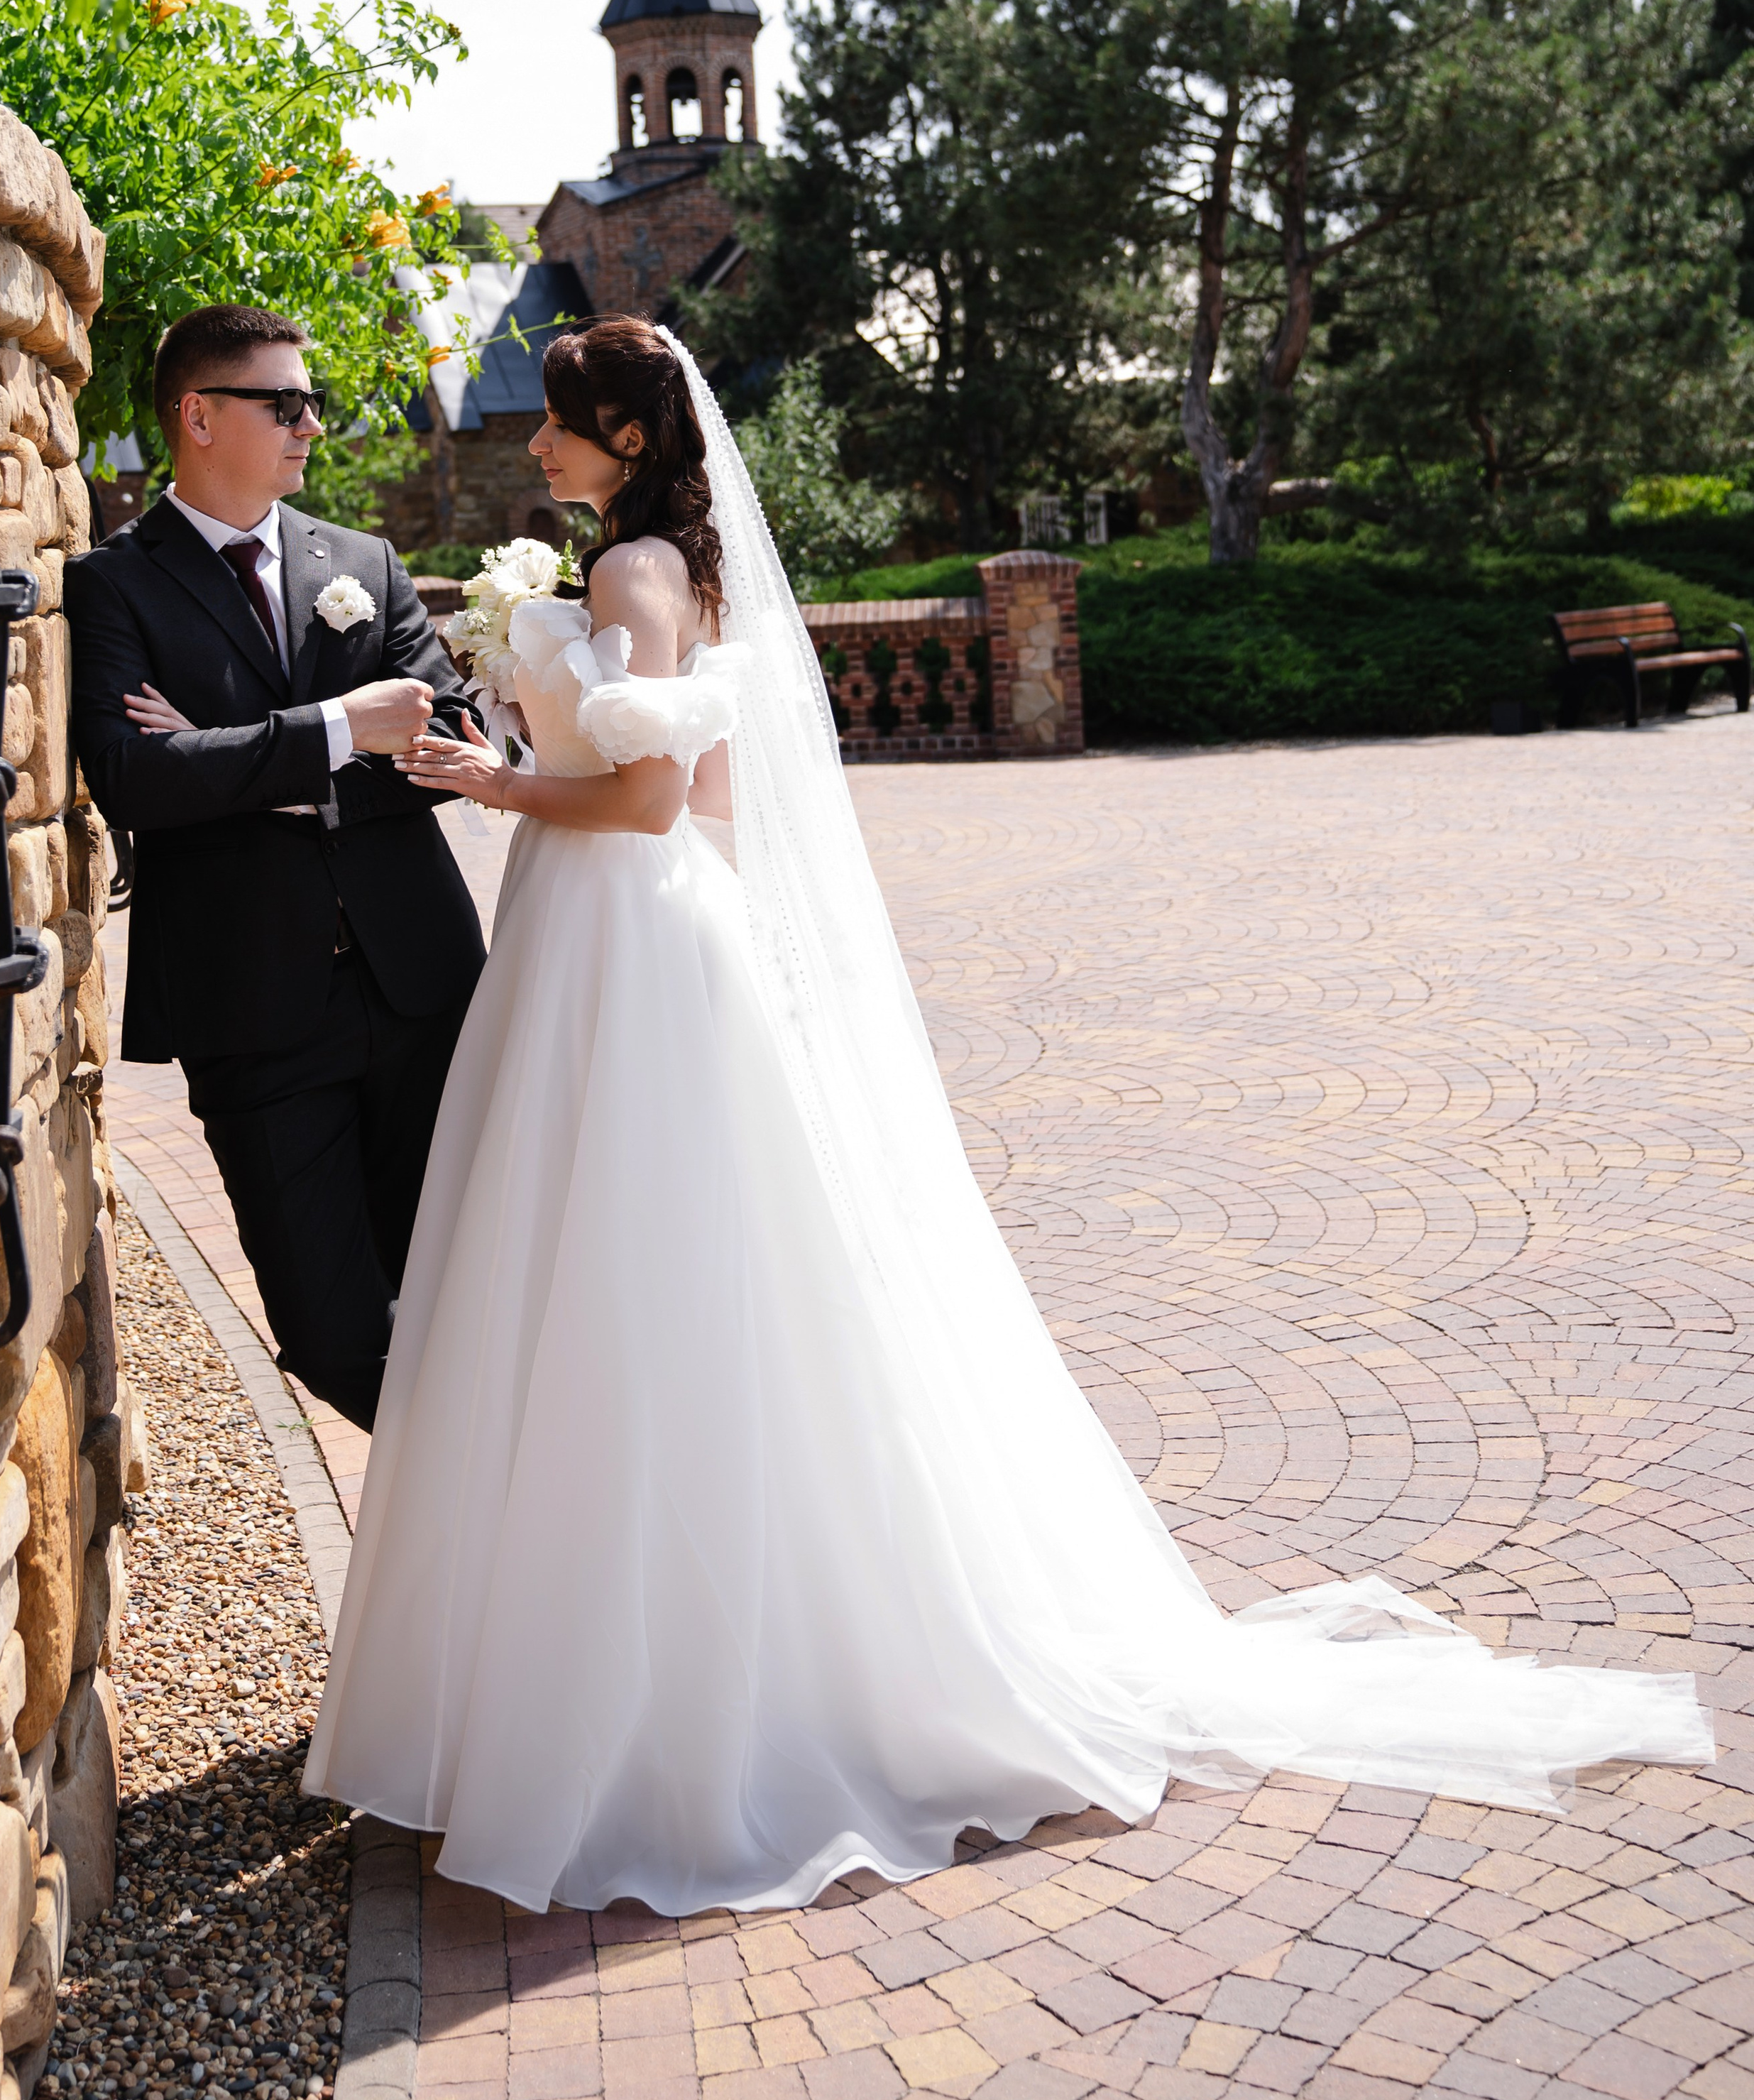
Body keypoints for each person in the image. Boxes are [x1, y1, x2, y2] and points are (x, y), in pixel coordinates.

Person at [303, 315, 1711, 1917]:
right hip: (627, 932)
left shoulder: (632, 576)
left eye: (557, 423)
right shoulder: (663, 572)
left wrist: (495, 788)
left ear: (623, 438)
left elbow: (642, 800)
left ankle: (639, 1717)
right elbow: (699, 800)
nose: (534, 444)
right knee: (653, 1271)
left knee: (613, 1274)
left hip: (613, 930)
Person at [64, 303, 485, 1429]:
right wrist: (343, 726)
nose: (311, 424)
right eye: (284, 402)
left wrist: (235, 749)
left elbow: (458, 746)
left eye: (314, 403)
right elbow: (137, 780)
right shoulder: (114, 585)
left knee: (472, 1302)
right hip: (252, 1009)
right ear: (198, 415)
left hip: (424, 990)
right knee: (334, 1333)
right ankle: (475, 1511)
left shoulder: (364, 563)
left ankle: (482, 1569)